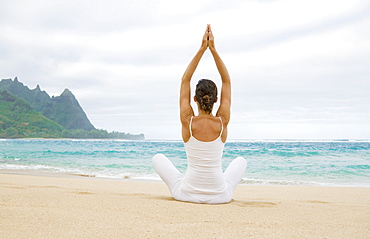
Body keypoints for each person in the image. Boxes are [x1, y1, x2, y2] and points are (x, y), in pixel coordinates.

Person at [152, 24, 247, 204]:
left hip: (186, 193)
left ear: (194, 99)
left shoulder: (187, 121)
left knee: (158, 158)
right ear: (216, 100)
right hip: (221, 196)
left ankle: (189, 182)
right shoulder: (222, 122)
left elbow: (185, 79)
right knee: (241, 161)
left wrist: (202, 49)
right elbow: (226, 81)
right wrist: (213, 50)